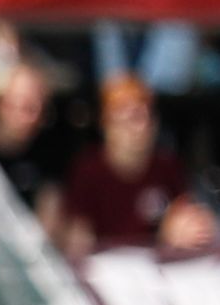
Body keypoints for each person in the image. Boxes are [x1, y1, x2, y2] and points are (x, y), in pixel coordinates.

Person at [62, 76, 191, 255]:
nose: (141, 127)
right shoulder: (89, 170)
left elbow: (184, 218)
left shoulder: (166, 165)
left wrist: (183, 230)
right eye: (131, 117)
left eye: (147, 116)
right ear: (107, 123)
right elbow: (77, 240)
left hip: (156, 266)